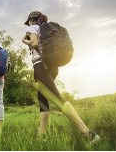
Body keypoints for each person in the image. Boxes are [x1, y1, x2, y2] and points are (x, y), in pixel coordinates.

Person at [22, 11, 100, 144]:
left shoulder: (33, 27)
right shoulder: (44, 28)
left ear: (32, 20)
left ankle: (87, 133)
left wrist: (24, 40)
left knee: (57, 98)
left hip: (41, 66)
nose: (28, 24)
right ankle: (41, 134)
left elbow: (34, 44)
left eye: (28, 21)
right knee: (42, 99)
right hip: (52, 66)